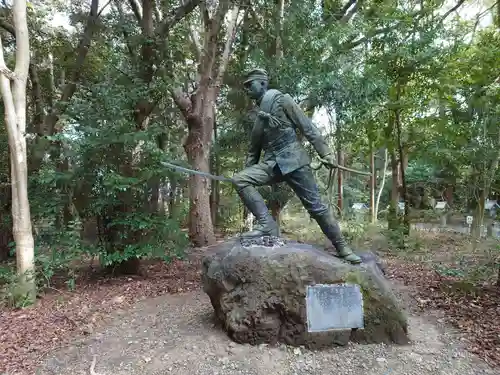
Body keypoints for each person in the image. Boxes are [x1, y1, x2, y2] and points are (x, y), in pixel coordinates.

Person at [232, 68, 361, 264]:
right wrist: (247, 172)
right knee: (240, 179)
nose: (247, 89)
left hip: (295, 161)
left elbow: (307, 126)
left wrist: (325, 152)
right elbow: (253, 152)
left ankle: (342, 246)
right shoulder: (257, 118)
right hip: (272, 164)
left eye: (250, 84)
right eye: (245, 86)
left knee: (316, 207)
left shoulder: (282, 100)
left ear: (263, 84)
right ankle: (267, 224)